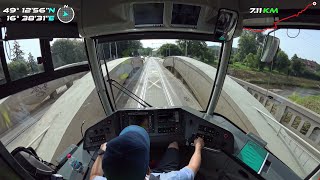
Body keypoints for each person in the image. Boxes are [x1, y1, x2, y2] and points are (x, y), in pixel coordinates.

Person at [90, 125, 204, 180]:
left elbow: (94, 176)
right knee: (173, 145)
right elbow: (192, 168)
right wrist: (198, 146)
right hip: (158, 174)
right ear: (148, 170)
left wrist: (102, 152)